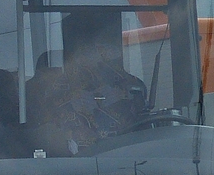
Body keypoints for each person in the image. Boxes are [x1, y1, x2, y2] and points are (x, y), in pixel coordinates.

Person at [26, 9, 148, 156]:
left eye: (104, 46)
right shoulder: (50, 91)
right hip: (66, 172)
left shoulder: (134, 89)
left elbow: (146, 139)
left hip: (130, 170)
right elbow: (41, 143)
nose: (99, 53)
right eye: (89, 47)